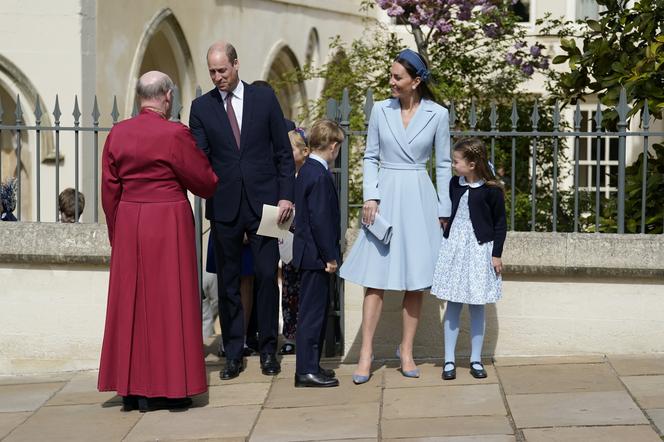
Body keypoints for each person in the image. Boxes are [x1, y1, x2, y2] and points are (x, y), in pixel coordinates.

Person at [98, 71, 219, 412]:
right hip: (168, 221)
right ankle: (173, 389)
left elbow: (109, 191)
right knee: (171, 302)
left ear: (140, 97)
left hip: (130, 221)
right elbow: (204, 182)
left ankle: (134, 389)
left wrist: (116, 232)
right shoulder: (174, 133)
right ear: (167, 97)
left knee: (133, 307)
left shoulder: (118, 134)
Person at [339, 48, 452, 384]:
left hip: (419, 198)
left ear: (415, 81)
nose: (391, 82)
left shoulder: (438, 115)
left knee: (415, 279)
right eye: (391, 75)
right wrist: (370, 195)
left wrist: (444, 208)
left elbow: (444, 164)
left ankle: (406, 350)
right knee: (375, 279)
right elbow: (370, 157)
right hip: (385, 197)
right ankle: (366, 352)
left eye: (397, 77)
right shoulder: (379, 111)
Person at [189, 41, 296, 380]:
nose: (218, 77)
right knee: (229, 284)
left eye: (223, 70)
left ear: (236, 64)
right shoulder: (201, 108)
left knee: (267, 277)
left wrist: (286, 197)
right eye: (212, 72)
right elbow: (199, 159)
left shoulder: (264, 99)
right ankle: (233, 353)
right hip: (224, 207)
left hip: (267, 205)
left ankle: (268, 350)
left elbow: (282, 152)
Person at [431, 138, 506, 381]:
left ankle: (476, 359)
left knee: (477, 305)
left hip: (478, 250)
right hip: (455, 249)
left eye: (456, 161)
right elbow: (449, 211)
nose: (453, 165)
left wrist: (496, 254)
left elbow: (500, 225)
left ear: (472, 164)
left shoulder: (491, 191)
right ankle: (449, 360)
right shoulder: (455, 184)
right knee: (453, 303)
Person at [292, 120, 343, 387]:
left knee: (315, 312)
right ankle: (305, 370)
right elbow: (320, 220)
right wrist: (330, 256)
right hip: (316, 256)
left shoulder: (308, 170)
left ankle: (312, 364)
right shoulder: (319, 174)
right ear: (332, 146)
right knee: (312, 315)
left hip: (310, 254)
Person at [280, 128, 310, 355]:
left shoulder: (311, 174)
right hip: (287, 240)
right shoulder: (285, 176)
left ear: (304, 151)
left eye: (290, 149)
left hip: (306, 241)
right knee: (289, 291)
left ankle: (307, 334)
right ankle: (289, 335)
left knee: (306, 290)